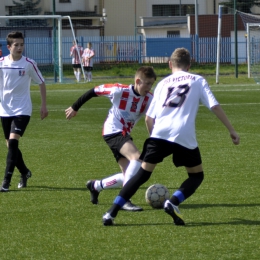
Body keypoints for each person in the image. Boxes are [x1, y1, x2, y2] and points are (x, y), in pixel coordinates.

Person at [102, 47, 240, 226]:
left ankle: (111, 213)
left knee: (142, 174)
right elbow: (214, 105)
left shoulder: (162, 83)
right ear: (189, 65)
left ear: (170, 64)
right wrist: (231, 130)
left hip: (159, 132)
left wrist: (156, 140)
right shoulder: (198, 80)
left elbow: (149, 118)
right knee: (196, 176)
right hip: (183, 134)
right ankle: (173, 202)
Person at [65, 66, 156, 211]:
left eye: (152, 84)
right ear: (138, 81)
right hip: (112, 130)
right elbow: (94, 91)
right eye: (147, 83)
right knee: (136, 157)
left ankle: (95, 186)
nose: (149, 87)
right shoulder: (119, 90)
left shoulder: (150, 99)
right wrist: (75, 107)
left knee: (129, 176)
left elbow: (154, 117)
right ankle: (124, 200)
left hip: (124, 133)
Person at [0, 31, 48, 192]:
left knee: (13, 142)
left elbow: (41, 82)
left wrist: (43, 105)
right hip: (5, 109)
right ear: (9, 47)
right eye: (16, 45)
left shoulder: (29, 63)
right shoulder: (1, 62)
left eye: (22, 44)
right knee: (10, 146)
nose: (20, 47)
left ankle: (6, 182)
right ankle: (25, 172)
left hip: (22, 109)